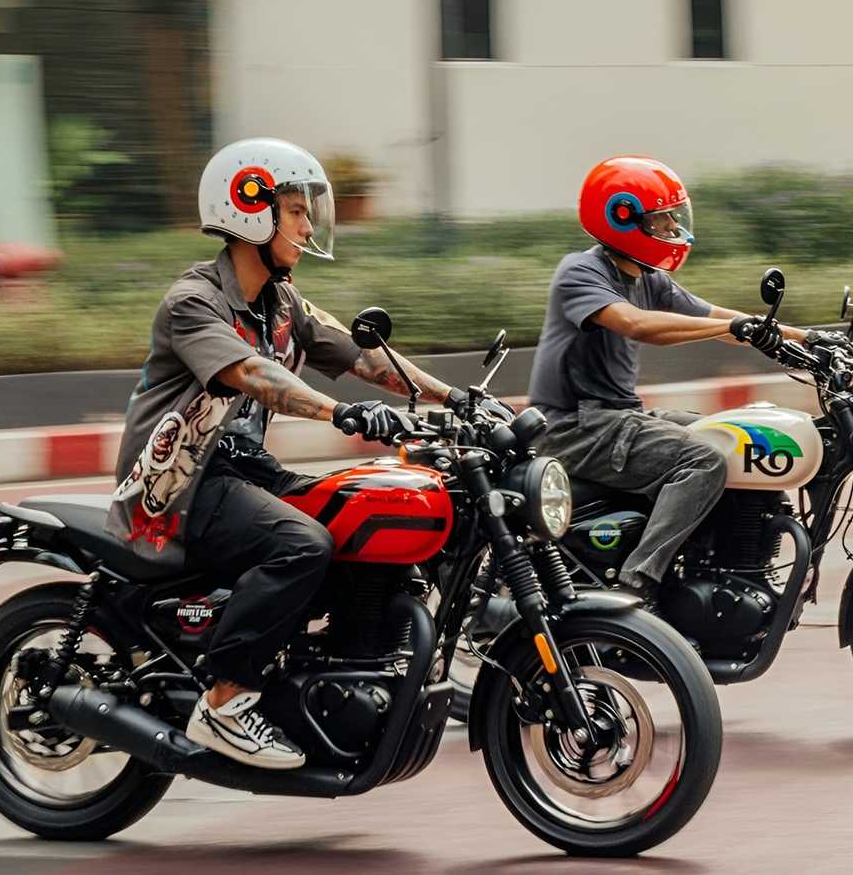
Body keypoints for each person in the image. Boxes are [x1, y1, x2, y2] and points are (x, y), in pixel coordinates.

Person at [105, 137, 459, 769]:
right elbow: (254, 377)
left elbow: (362, 354)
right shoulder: (195, 302)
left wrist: (451, 397)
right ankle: (226, 697)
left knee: (353, 517)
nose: (306, 224)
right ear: (249, 213)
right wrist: (339, 411)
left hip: (244, 470)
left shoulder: (280, 301)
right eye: (294, 211)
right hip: (178, 486)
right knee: (302, 544)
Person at [526, 155, 809, 601]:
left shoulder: (648, 277)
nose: (673, 225)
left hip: (616, 419)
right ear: (622, 217)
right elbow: (637, 324)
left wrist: (806, 339)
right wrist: (730, 329)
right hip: (573, 427)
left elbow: (718, 316)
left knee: (727, 436)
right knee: (704, 460)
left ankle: (720, 562)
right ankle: (638, 586)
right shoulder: (581, 272)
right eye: (662, 218)